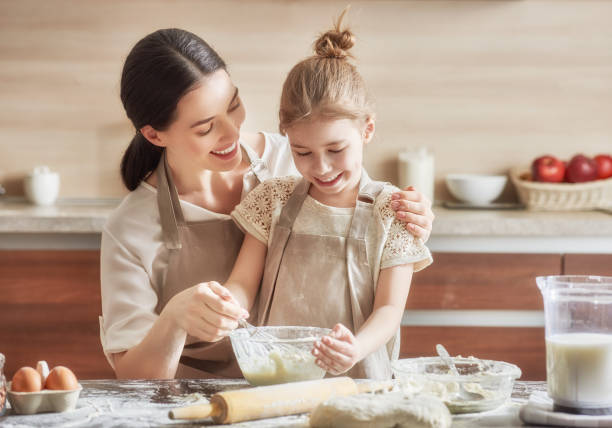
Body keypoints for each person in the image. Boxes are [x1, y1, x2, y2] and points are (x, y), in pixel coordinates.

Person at [100, 27, 435, 379]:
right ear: (155, 135)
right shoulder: (131, 228)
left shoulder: (296, 156)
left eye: (233, 105)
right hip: (198, 397)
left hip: (312, 380)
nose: (231, 134)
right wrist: (175, 318)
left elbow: (360, 196)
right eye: (205, 128)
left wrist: (413, 215)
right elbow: (133, 379)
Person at [206, 11, 433, 379]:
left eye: (336, 149)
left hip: (360, 380)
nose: (322, 168)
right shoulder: (273, 200)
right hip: (276, 376)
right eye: (302, 152)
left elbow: (390, 310)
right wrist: (223, 306)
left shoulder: (392, 212)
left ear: (368, 129)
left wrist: (354, 348)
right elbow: (243, 284)